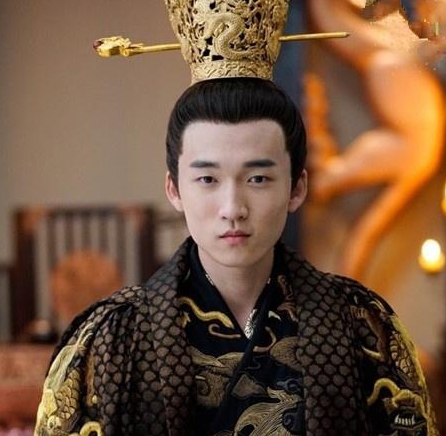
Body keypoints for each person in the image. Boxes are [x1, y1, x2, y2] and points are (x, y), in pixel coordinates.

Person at [34, 1, 438, 436]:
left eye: (258, 178)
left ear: (297, 188)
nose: (233, 207)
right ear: (174, 189)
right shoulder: (110, 340)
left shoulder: (364, 326)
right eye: (207, 179)